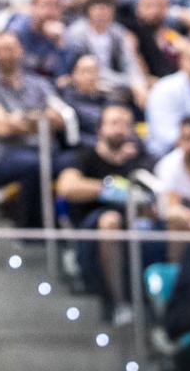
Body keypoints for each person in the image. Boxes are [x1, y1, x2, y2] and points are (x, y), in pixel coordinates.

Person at [54, 103, 152, 325]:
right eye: (114, 123)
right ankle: (118, 302)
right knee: (110, 221)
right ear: (100, 129)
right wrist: (109, 188)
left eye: (126, 124)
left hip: (134, 227)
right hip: (93, 229)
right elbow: (67, 188)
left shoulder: (140, 162)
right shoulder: (84, 157)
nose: (120, 129)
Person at [0, 28, 67, 227]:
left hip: (43, 150)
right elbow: (1, 127)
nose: (8, 53)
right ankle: (32, 233)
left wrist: (20, 120)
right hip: (4, 156)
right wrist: (39, 120)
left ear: (20, 50)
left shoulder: (38, 84)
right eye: (2, 48)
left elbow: (59, 118)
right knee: (38, 166)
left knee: (76, 162)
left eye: (11, 48)